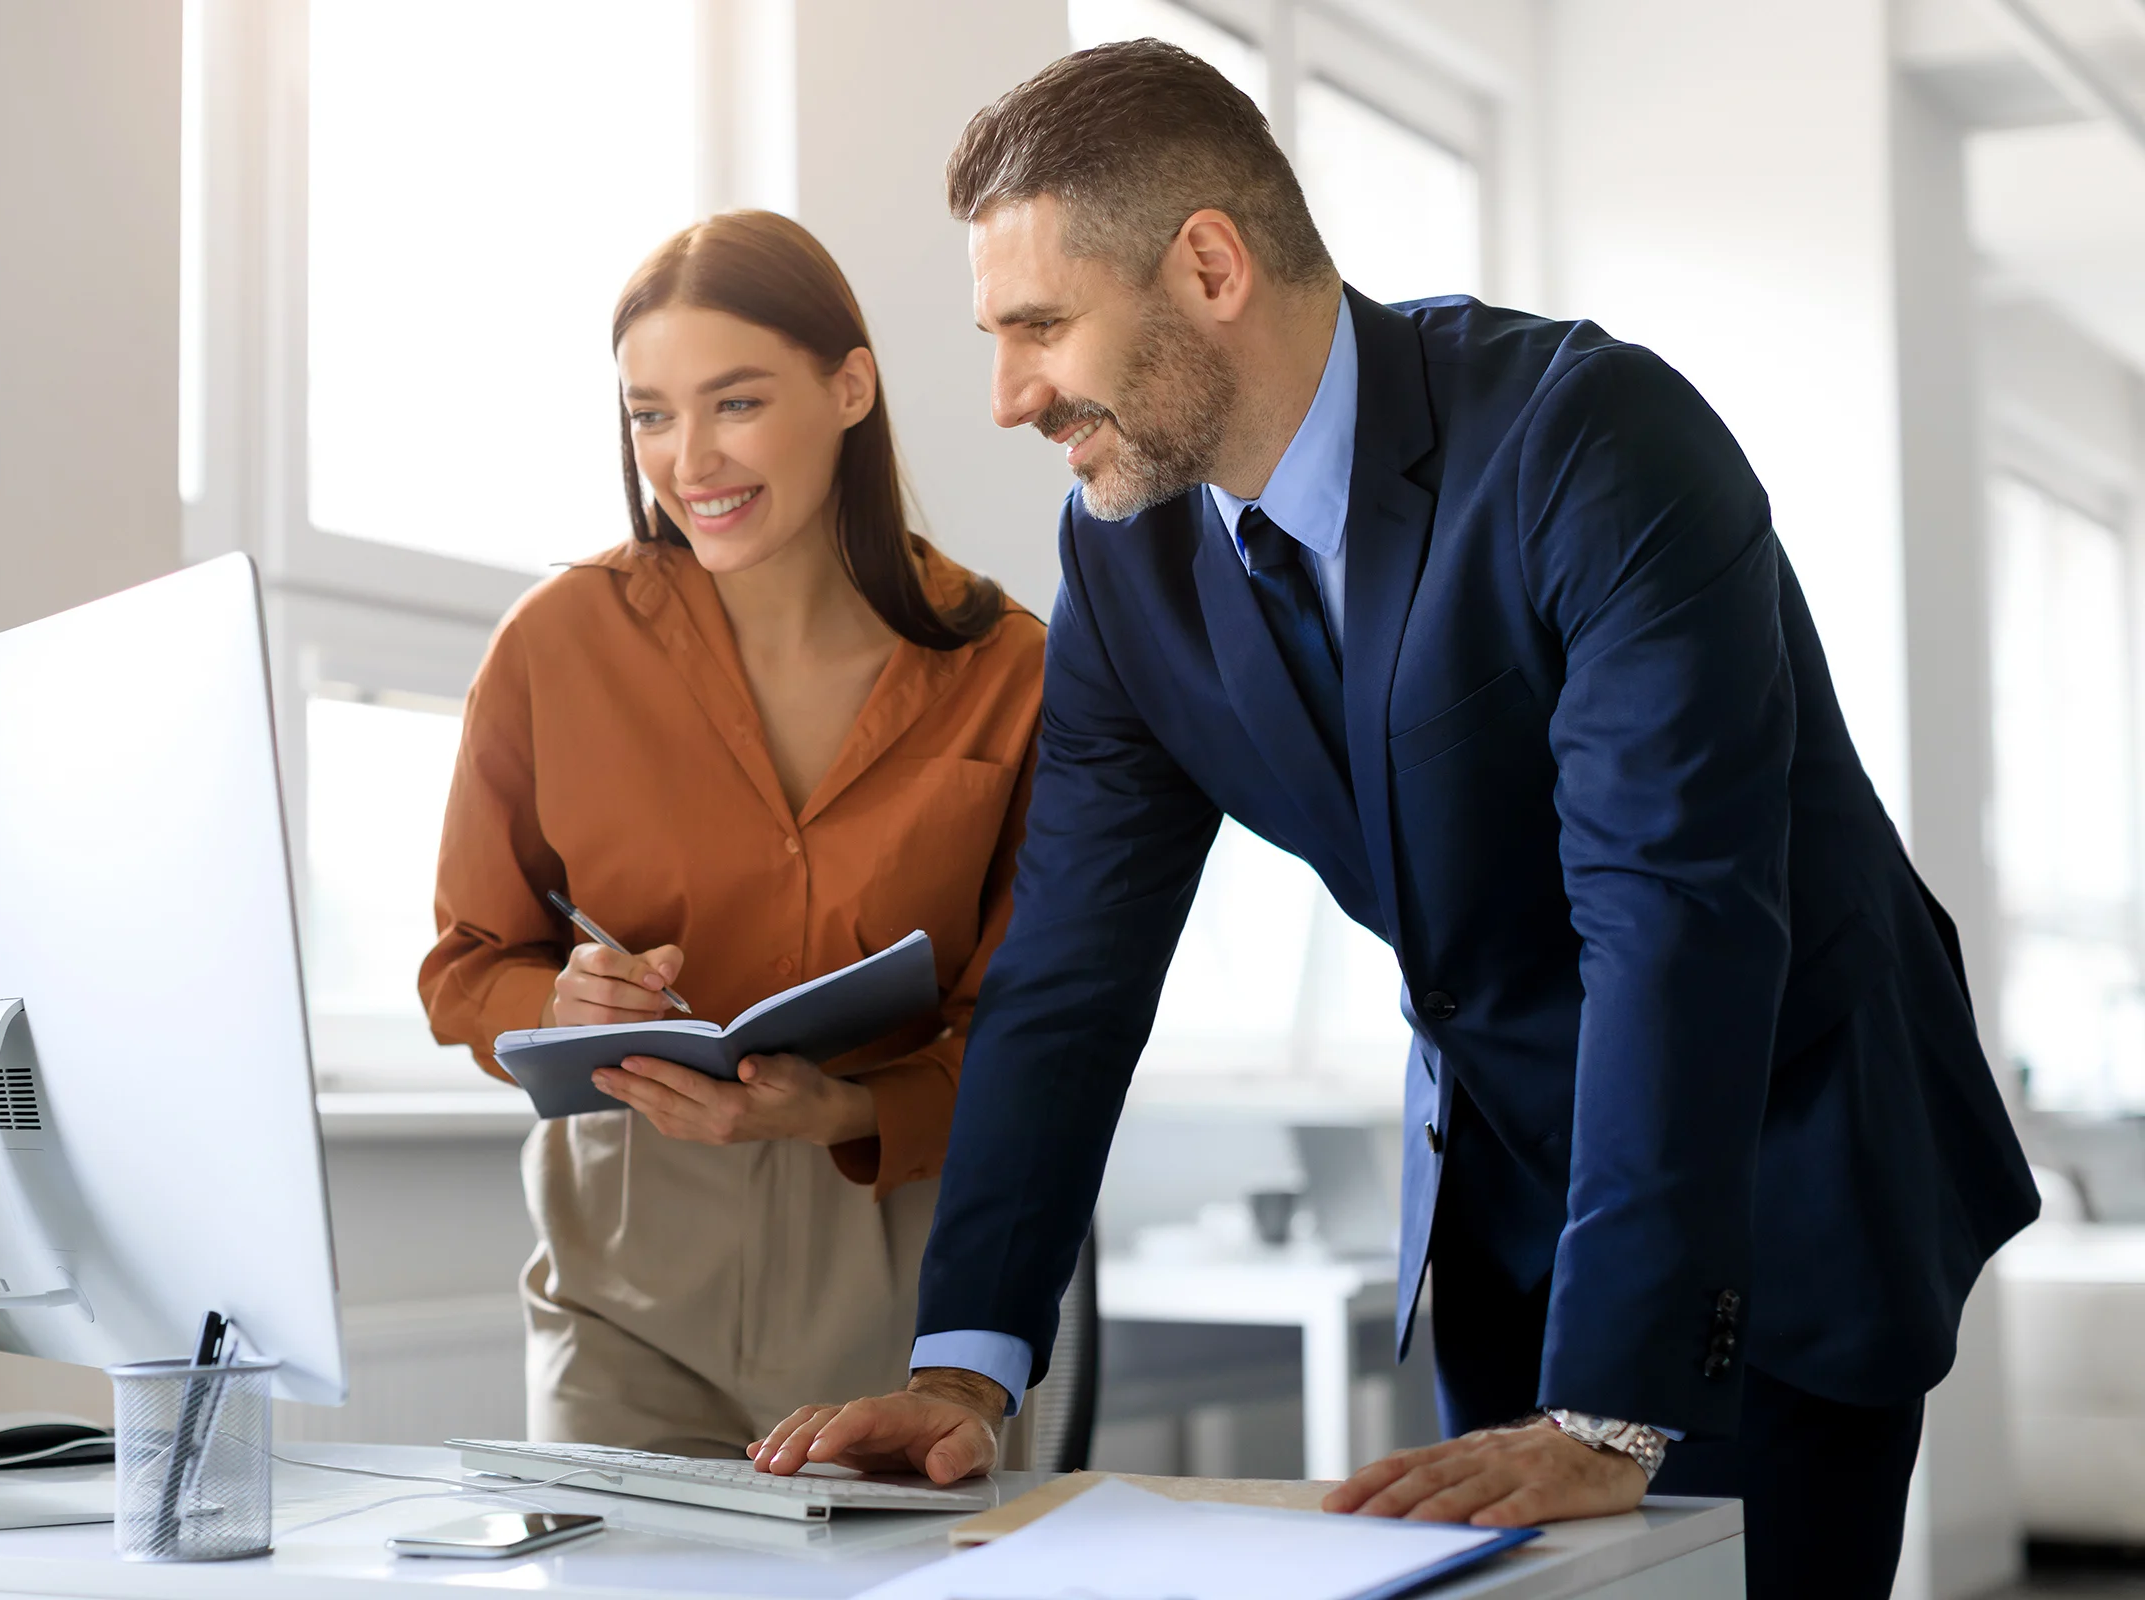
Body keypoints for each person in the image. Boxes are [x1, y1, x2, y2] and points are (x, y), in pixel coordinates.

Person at [747, 41, 2038, 1595]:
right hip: (1506, 1204)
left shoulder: (1595, 443)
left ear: (1209, 266)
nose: (1012, 393)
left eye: (1040, 326)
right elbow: (1071, 968)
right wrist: (965, 1370)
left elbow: (1672, 916)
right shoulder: (1127, 562)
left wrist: (1611, 1397)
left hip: (1773, 1171)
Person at [419, 210, 1045, 1457]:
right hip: (625, 1285)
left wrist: (843, 1109)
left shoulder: (1010, 670)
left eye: (737, 402)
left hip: (905, 1283)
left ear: (849, 386)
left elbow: (1038, 1036)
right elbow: (466, 966)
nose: (688, 457)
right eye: (650, 413)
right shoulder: (555, 646)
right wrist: (558, 1000)